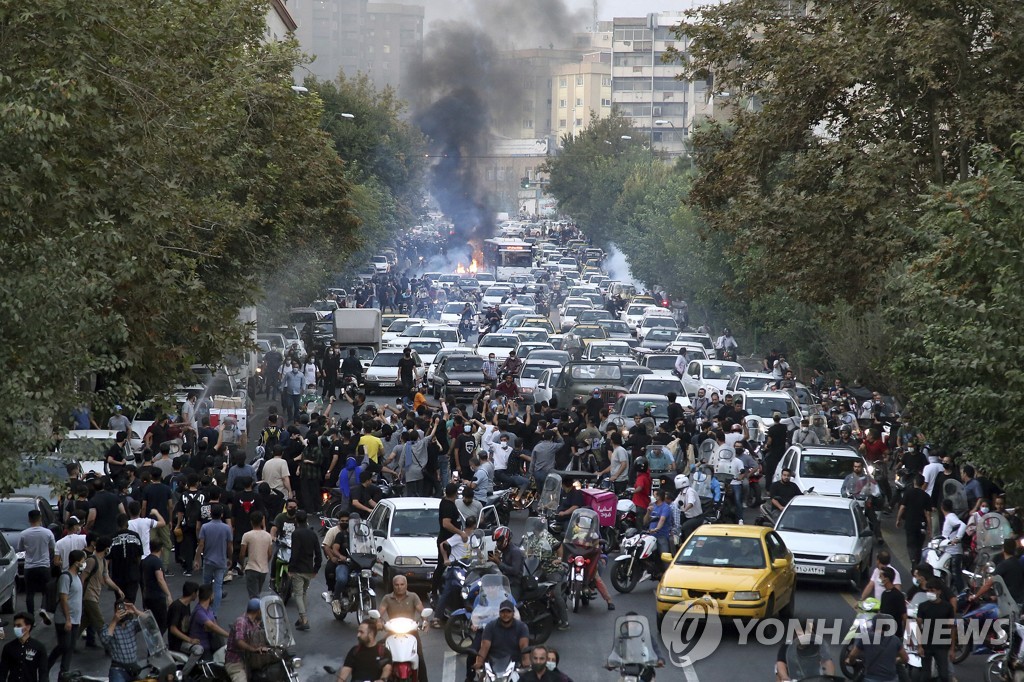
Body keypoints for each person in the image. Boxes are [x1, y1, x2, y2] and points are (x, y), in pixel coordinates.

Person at [377, 575, 429, 682]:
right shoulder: (387, 598)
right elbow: (379, 613)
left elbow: (422, 611)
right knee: (378, 653)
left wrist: (425, 621)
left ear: (406, 585)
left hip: (411, 632)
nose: (399, 587)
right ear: (393, 585)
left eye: (402, 584)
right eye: (396, 585)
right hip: (392, 632)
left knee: (419, 657)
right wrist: (378, 621)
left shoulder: (413, 596)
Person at [48, 549, 84, 678]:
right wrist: (68, 619)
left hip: (75, 619)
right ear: (76, 562)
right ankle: (46, 666)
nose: (83, 563)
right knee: (64, 645)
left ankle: (64, 673)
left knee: (70, 648)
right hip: (64, 619)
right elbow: (63, 599)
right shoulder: (65, 577)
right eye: (82, 561)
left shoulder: (77, 577)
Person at [843, 613, 908, 682]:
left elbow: (853, 655)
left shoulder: (866, 638)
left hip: (870, 678)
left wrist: (852, 662)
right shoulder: (895, 640)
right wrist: (896, 660)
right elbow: (905, 659)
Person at [472, 601, 529, 678]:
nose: (505, 614)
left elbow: (524, 647)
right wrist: (479, 662)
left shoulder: (522, 627)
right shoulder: (490, 626)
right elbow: (484, 647)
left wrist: (526, 661)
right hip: (493, 664)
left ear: (513, 613)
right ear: (499, 613)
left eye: (508, 612)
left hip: (514, 664)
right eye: (503, 612)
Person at [916, 578, 956, 681]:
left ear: (939, 591)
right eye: (928, 590)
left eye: (932, 590)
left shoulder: (947, 607)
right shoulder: (922, 606)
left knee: (944, 675)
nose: (929, 593)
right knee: (925, 675)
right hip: (926, 644)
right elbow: (918, 627)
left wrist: (952, 649)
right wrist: (919, 646)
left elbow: (951, 628)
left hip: (942, 645)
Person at [195, 504, 232, 614]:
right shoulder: (226, 528)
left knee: (206, 585)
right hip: (221, 561)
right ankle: (214, 612)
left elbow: (201, 544)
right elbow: (230, 545)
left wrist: (197, 559)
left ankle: (204, 608)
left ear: (210, 514)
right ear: (222, 515)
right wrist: (230, 558)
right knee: (218, 586)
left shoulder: (205, 527)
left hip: (208, 560)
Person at [17, 510, 54, 619]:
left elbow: (20, 548)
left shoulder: (24, 534)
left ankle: (30, 617)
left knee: (30, 593)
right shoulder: (47, 533)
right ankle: (43, 608)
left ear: (29, 519)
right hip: (44, 565)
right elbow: (52, 547)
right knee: (46, 590)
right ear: (40, 518)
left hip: (29, 566)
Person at [288, 510, 322, 631]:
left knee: (298, 594)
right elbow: (318, 553)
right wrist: (316, 568)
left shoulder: (296, 534)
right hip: (309, 569)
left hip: (298, 569)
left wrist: (291, 568)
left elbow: (295, 552)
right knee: (303, 593)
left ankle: (304, 619)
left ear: (296, 520)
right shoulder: (312, 534)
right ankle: (301, 617)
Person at [225, 599, 270, 682]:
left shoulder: (255, 624)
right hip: (236, 662)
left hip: (250, 661)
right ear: (259, 611)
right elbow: (239, 641)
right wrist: (253, 649)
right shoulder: (241, 621)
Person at [99, 601, 144, 682]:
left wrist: (135, 611)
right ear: (115, 611)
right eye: (120, 610)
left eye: (125, 610)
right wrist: (114, 621)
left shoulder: (132, 624)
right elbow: (104, 640)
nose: (123, 612)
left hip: (133, 669)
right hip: (118, 669)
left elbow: (150, 622)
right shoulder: (109, 627)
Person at [895, 474, 932, 564]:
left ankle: (913, 562)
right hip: (921, 524)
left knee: (911, 544)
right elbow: (928, 514)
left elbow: (902, 507)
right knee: (919, 545)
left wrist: (898, 519)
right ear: (923, 484)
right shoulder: (926, 496)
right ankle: (917, 561)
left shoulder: (908, 493)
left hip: (910, 523)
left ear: (914, 482)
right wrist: (929, 528)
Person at [974, 538, 1024, 605]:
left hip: (1009, 604)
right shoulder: (1018, 563)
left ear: (1003, 549)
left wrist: (976, 596)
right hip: (1019, 600)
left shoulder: (1004, 565)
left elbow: (988, 584)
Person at [0, 612, 47, 682]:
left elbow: (43, 673)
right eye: (14, 626)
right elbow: (2, 672)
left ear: (28, 627)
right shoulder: (8, 647)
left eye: (19, 626)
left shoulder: (39, 647)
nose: (15, 628)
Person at [189, 584, 230, 660]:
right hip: (202, 646)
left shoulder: (208, 609)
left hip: (211, 644)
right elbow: (212, 626)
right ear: (210, 596)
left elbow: (215, 624)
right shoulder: (199, 612)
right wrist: (229, 635)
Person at [141, 538, 173, 632]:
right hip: (157, 596)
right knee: (162, 623)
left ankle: (155, 643)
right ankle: (158, 644)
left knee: (152, 621)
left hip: (148, 595)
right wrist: (168, 594)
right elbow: (160, 579)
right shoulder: (157, 562)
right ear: (161, 549)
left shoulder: (145, 561)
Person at [239, 511, 273, 600]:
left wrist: (242, 565)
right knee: (258, 593)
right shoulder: (268, 536)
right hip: (263, 569)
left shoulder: (247, 535)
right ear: (262, 521)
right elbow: (270, 554)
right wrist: (265, 562)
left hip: (251, 568)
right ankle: (257, 611)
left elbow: (242, 554)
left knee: (253, 596)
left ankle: (256, 612)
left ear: (251, 521)